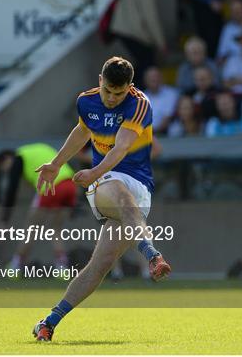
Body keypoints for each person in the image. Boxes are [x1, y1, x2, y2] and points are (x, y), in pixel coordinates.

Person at [32, 57, 171, 341]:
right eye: (107, 90)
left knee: (101, 264)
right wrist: (57, 163)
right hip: (108, 182)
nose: (111, 98)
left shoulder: (139, 104)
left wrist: (93, 170)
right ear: (100, 81)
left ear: (130, 88)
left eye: (118, 93)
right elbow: (83, 130)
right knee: (118, 192)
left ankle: (49, 321)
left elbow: (120, 148)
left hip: (138, 184)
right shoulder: (86, 101)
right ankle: (152, 254)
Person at [0, 143, 77, 270]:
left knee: (31, 229)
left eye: (4, 168)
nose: (7, 172)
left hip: (52, 186)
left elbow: (12, 190)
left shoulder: (18, 157)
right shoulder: (35, 150)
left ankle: (15, 266)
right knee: (56, 229)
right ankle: (62, 267)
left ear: (6, 159)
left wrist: (4, 221)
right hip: (70, 184)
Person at [142, 67, 179, 135]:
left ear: (161, 78)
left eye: (156, 76)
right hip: (146, 133)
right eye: (150, 77)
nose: (154, 79)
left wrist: (153, 132)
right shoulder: (141, 96)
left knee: (175, 129)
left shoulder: (171, 93)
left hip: (165, 132)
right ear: (145, 80)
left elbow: (168, 118)